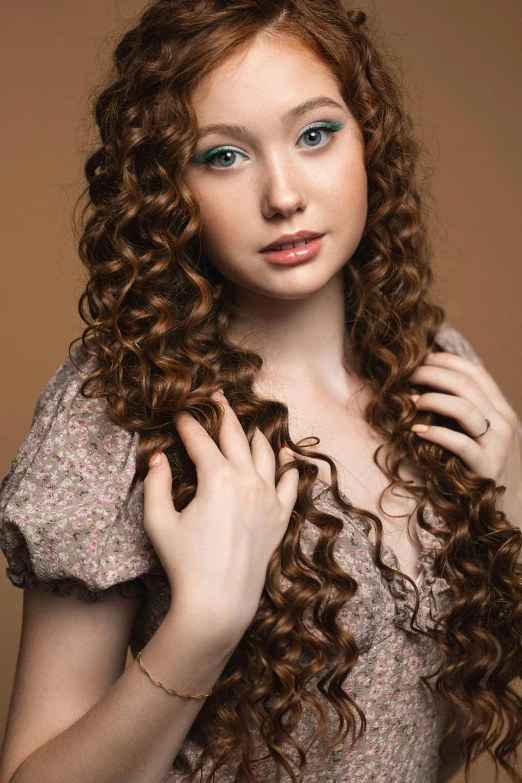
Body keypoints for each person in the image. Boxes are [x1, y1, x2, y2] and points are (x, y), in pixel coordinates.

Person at [0, 1, 521, 782]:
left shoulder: (435, 370)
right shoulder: (121, 407)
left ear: (368, 136)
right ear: (165, 186)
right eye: (223, 156)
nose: (284, 195)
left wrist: (511, 507)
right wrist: (202, 628)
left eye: (316, 134)